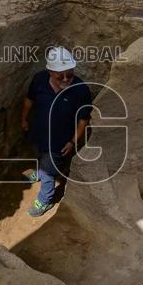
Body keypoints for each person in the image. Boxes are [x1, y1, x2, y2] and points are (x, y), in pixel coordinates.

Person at [20, 46, 93, 217]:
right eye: (60, 75)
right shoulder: (39, 80)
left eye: (70, 74)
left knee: (49, 173)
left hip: (59, 143)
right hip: (37, 133)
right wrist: (23, 119)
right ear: (50, 71)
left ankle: (45, 200)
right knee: (40, 156)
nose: (66, 79)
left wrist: (73, 141)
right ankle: (40, 171)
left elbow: (83, 119)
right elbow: (29, 100)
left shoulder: (81, 89)